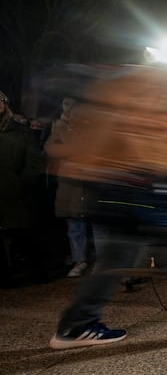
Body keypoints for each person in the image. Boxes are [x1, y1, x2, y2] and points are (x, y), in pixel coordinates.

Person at [48, 66, 167, 348]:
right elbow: (143, 137)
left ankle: (76, 323)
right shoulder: (153, 89)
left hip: (131, 185)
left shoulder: (158, 90)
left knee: (132, 257)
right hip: (133, 187)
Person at [44, 96, 95, 277]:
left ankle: (101, 261)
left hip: (90, 181)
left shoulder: (92, 127)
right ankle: (79, 260)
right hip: (70, 183)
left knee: (95, 224)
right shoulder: (58, 127)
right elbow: (50, 149)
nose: (68, 108)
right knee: (75, 225)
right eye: (65, 104)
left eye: (72, 105)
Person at [0, 89, 46, 285]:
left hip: (17, 194)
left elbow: (34, 163)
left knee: (24, 235)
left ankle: (36, 271)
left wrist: (22, 184)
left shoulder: (20, 131)